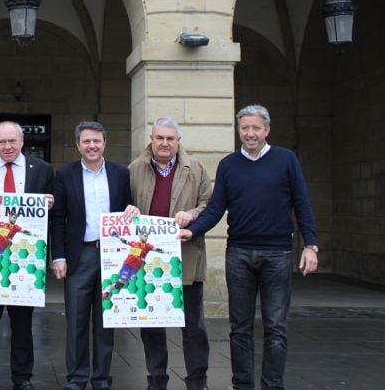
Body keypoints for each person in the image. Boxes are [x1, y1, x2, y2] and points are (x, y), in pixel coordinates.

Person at [179, 105, 319, 390]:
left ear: (267, 130)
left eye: (256, 128)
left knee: (276, 329)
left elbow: (302, 203)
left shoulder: (286, 160)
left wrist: (311, 245)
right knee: (239, 329)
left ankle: (272, 386)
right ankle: (242, 385)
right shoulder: (229, 165)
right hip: (239, 255)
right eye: (245, 128)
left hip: (278, 255)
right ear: (238, 130)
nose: (250, 133)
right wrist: (191, 230)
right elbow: (216, 208)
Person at [0, 121, 54, 390]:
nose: (7, 147)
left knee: (23, 324)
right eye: (1, 142)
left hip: (24, 260)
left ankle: (22, 377)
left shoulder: (42, 170)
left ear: (22, 142)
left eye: (12, 141)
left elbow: (54, 214)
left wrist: (49, 204)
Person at [50, 121, 137, 390]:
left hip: (113, 256)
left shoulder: (120, 174)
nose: (92, 146)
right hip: (80, 256)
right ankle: (76, 379)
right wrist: (58, 256)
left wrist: (132, 211)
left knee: (106, 323)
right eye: (86, 141)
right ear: (78, 145)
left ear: (104, 143)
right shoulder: (65, 174)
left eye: (96, 141)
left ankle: (101, 379)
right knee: (76, 322)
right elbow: (58, 219)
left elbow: (128, 209)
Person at [129, 117, 212, 390]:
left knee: (193, 327)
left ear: (178, 142)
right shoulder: (134, 169)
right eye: (159, 138)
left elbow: (209, 205)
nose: (164, 143)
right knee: (152, 325)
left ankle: (197, 381)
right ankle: (156, 380)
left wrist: (192, 215)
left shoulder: (196, 169)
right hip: (148, 262)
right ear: (151, 140)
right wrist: (128, 210)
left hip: (186, 259)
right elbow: (122, 204)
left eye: (170, 139)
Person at [101, 231, 164, 299]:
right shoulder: (134, 244)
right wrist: (117, 236)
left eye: (147, 236)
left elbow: (155, 249)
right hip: (127, 265)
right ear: (140, 236)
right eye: (145, 236)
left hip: (135, 269)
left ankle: (106, 290)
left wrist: (161, 250)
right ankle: (106, 291)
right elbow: (125, 241)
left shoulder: (147, 246)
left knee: (121, 284)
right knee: (121, 282)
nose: (146, 238)